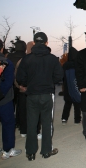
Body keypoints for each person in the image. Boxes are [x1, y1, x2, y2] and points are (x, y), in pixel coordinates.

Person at [16, 32, 63, 161]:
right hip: (47, 94)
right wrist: (50, 81)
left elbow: (20, 78)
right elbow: (59, 76)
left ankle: (30, 152)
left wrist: (27, 84)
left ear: (34, 42)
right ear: (47, 43)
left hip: (31, 95)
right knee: (47, 123)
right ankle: (46, 151)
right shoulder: (53, 58)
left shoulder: (27, 58)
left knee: (31, 123)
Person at [14, 41, 42, 139]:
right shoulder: (37, 59)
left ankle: (23, 130)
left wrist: (19, 86)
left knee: (23, 111)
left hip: (23, 91)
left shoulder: (21, 60)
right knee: (35, 112)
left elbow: (16, 76)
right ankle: (36, 131)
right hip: (34, 91)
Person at [7, 39, 26, 128]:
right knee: (21, 105)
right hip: (22, 84)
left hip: (10, 84)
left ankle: (12, 122)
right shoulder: (26, 57)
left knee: (11, 105)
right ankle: (19, 122)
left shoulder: (9, 57)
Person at [61, 47, 81, 125]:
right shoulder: (78, 64)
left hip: (67, 87)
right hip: (75, 87)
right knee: (77, 104)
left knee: (67, 104)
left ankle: (64, 119)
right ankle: (77, 120)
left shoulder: (65, 65)